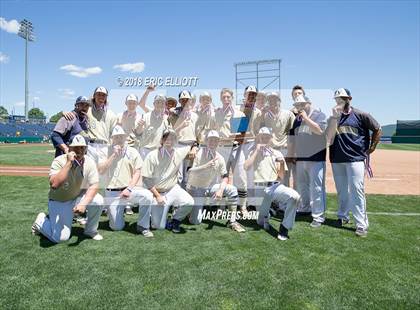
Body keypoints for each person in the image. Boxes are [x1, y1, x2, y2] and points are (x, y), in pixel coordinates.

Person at [326, 88, 382, 237]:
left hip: (355, 159)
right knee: (342, 191)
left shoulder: (361, 115)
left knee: (357, 190)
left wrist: (372, 148)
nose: (340, 101)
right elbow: (329, 138)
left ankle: (361, 225)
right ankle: (342, 217)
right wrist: (333, 118)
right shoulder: (332, 118)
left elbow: (377, 129)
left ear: (349, 99)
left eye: (343, 99)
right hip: (337, 159)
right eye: (338, 99)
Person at [31, 135, 104, 243]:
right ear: (69, 148)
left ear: (86, 149)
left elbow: (94, 185)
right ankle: (40, 221)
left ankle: (90, 230)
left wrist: (83, 203)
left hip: (77, 197)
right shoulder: (59, 161)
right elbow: (55, 184)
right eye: (76, 148)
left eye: (82, 147)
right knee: (60, 238)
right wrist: (69, 163)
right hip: (60, 201)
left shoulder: (89, 162)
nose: (79, 151)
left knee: (98, 200)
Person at [244, 127, 301, 241]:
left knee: (295, 197)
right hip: (259, 187)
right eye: (262, 137)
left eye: (266, 137)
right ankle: (268, 213)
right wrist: (256, 150)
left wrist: (280, 163)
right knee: (261, 222)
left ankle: (285, 226)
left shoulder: (277, 153)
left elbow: (281, 177)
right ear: (258, 138)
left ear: (270, 138)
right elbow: (246, 167)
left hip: (274, 186)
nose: (264, 139)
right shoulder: (252, 152)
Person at [97, 125, 154, 236]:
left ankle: (143, 226)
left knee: (147, 195)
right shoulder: (105, 151)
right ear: (111, 139)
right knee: (116, 227)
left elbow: (137, 171)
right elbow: (101, 171)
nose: (119, 139)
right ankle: (117, 215)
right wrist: (113, 155)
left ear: (125, 138)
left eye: (121, 137)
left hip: (129, 190)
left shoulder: (132, 151)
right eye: (116, 137)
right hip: (112, 192)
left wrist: (129, 188)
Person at [187, 130, 245, 232]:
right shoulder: (199, 153)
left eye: (215, 140)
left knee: (232, 190)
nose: (213, 142)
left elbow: (225, 176)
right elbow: (189, 171)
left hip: (210, 188)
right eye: (210, 140)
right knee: (195, 221)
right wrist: (205, 166)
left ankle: (232, 221)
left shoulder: (220, 157)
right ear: (206, 141)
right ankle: (188, 209)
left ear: (218, 142)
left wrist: (221, 190)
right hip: (196, 188)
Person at [141, 129, 194, 233]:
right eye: (166, 138)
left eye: (172, 139)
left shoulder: (178, 152)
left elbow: (191, 145)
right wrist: (157, 195)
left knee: (189, 202)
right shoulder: (152, 155)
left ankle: (175, 220)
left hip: (172, 189)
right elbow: (146, 179)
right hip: (157, 192)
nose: (169, 141)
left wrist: (195, 148)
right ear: (161, 140)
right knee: (157, 226)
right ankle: (155, 213)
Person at [289, 95, 327, 227]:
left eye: (302, 104)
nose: (300, 107)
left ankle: (318, 217)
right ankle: (305, 208)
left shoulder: (319, 115)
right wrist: (292, 154)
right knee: (302, 186)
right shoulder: (297, 120)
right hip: (301, 158)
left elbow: (319, 130)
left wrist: (305, 118)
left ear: (309, 103)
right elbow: (293, 137)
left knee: (316, 188)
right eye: (298, 105)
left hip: (316, 158)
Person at [214, 88, 248, 216]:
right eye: (224, 97)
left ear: (232, 98)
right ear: (221, 98)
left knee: (241, 178)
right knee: (221, 178)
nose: (226, 99)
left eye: (228, 97)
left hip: (236, 148)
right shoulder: (216, 113)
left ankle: (242, 207)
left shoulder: (239, 113)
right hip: (221, 148)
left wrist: (232, 137)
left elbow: (243, 135)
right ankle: (221, 207)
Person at [261, 91, 295, 186]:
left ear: (279, 100)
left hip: (284, 149)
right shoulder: (266, 115)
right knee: (270, 176)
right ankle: (273, 200)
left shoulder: (288, 114)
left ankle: (285, 200)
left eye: (275, 99)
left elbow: (292, 134)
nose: (273, 101)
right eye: (270, 99)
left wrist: (291, 152)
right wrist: (262, 116)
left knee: (284, 178)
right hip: (270, 150)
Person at [131, 94, 171, 160]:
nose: (160, 104)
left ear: (165, 105)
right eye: (158, 102)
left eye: (162, 103)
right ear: (154, 104)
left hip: (158, 151)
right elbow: (138, 133)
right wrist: (140, 126)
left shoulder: (166, 119)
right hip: (145, 150)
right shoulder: (145, 116)